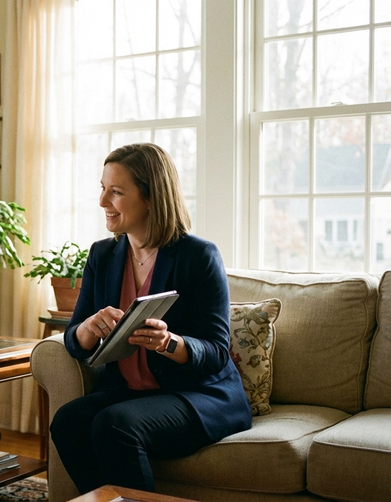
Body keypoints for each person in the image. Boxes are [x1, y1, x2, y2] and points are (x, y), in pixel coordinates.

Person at [50, 143, 251, 493]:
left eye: (116, 192)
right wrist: (88, 329)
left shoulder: (198, 256)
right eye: (103, 188)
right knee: (68, 421)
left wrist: (169, 343)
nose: (102, 201)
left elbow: (217, 352)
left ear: (150, 197)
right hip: (129, 392)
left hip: (198, 395)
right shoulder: (102, 255)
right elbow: (74, 337)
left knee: (114, 424)